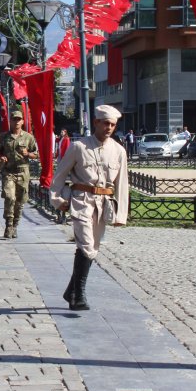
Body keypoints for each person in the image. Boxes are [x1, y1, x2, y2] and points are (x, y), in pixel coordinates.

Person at [50, 105, 129, 311]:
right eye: (105, 124)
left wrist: (121, 214)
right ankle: (80, 295)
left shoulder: (119, 151)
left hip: (103, 205)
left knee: (92, 248)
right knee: (86, 244)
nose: (109, 128)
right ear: (96, 123)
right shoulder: (78, 147)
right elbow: (60, 175)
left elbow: (122, 184)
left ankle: (71, 291)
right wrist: (57, 200)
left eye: (113, 125)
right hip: (81, 201)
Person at [0, 110, 38, 239]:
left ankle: (15, 225)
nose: (17, 121)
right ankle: (8, 224)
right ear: (11, 121)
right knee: (9, 197)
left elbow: (36, 154)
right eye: (14, 119)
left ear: (23, 122)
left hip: (22, 172)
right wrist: (1, 157)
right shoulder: (4, 137)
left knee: (20, 201)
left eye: (19, 119)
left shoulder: (28, 137)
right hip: (9, 171)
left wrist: (28, 154)